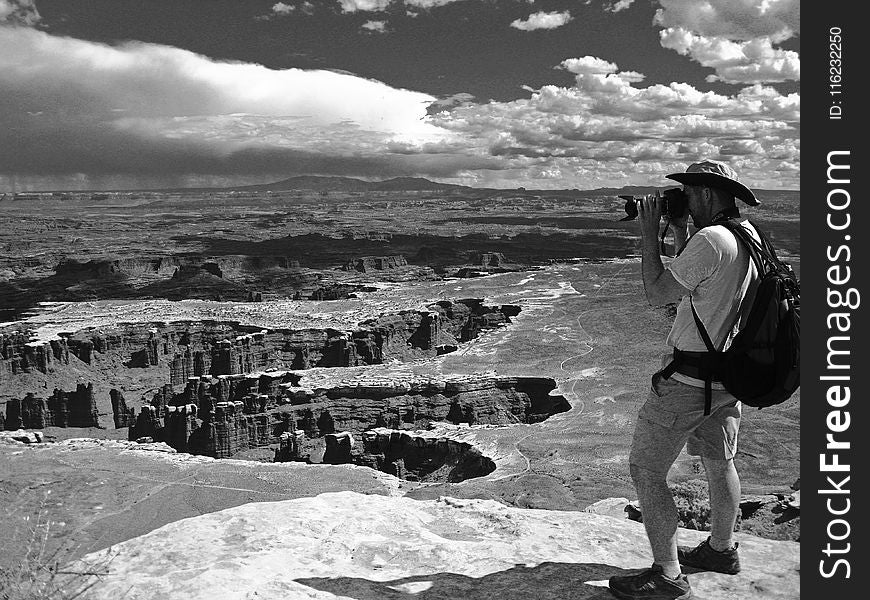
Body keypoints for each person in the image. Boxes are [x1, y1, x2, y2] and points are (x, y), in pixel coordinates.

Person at [608, 160, 762, 600]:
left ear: (708, 195)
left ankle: (668, 574)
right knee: (720, 462)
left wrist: (647, 234)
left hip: (688, 383)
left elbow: (658, 292)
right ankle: (721, 549)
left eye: (689, 195)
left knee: (646, 469)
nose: (685, 202)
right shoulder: (746, 235)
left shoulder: (711, 239)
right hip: (728, 377)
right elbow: (699, 283)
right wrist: (679, 230)